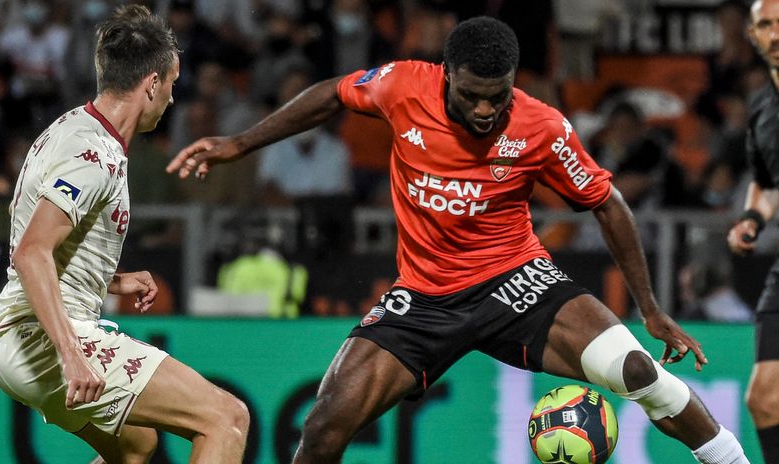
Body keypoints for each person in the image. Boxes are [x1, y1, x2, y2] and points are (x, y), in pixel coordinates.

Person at [169, 16, 748, 464]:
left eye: (497, 96)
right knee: (322, 429)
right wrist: (240, 144)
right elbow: (330, 95)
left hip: (519, 281)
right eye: (471, 94)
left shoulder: (539, 126)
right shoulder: (400, 87)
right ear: (446, 74)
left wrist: (650, 310)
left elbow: (608, 204)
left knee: (638, 371)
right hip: (423, 298)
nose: (484, 108)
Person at [0, 5, 249, 463]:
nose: (170, 98)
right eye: (170, 84)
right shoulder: (94, 155)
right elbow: (30, 253)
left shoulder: (68, 130)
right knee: (226, 417)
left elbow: (41, 239)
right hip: (42, 337)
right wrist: (69, 351)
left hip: (16, 337)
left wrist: (113, 281)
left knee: (135, 443)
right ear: (151, 83)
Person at [727, 1, 779, 462]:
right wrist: (752, 219)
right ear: (752, 34)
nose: (777, 34)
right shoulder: (762, 107)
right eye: (767, 25)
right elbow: (766, 183)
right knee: (763, 399)